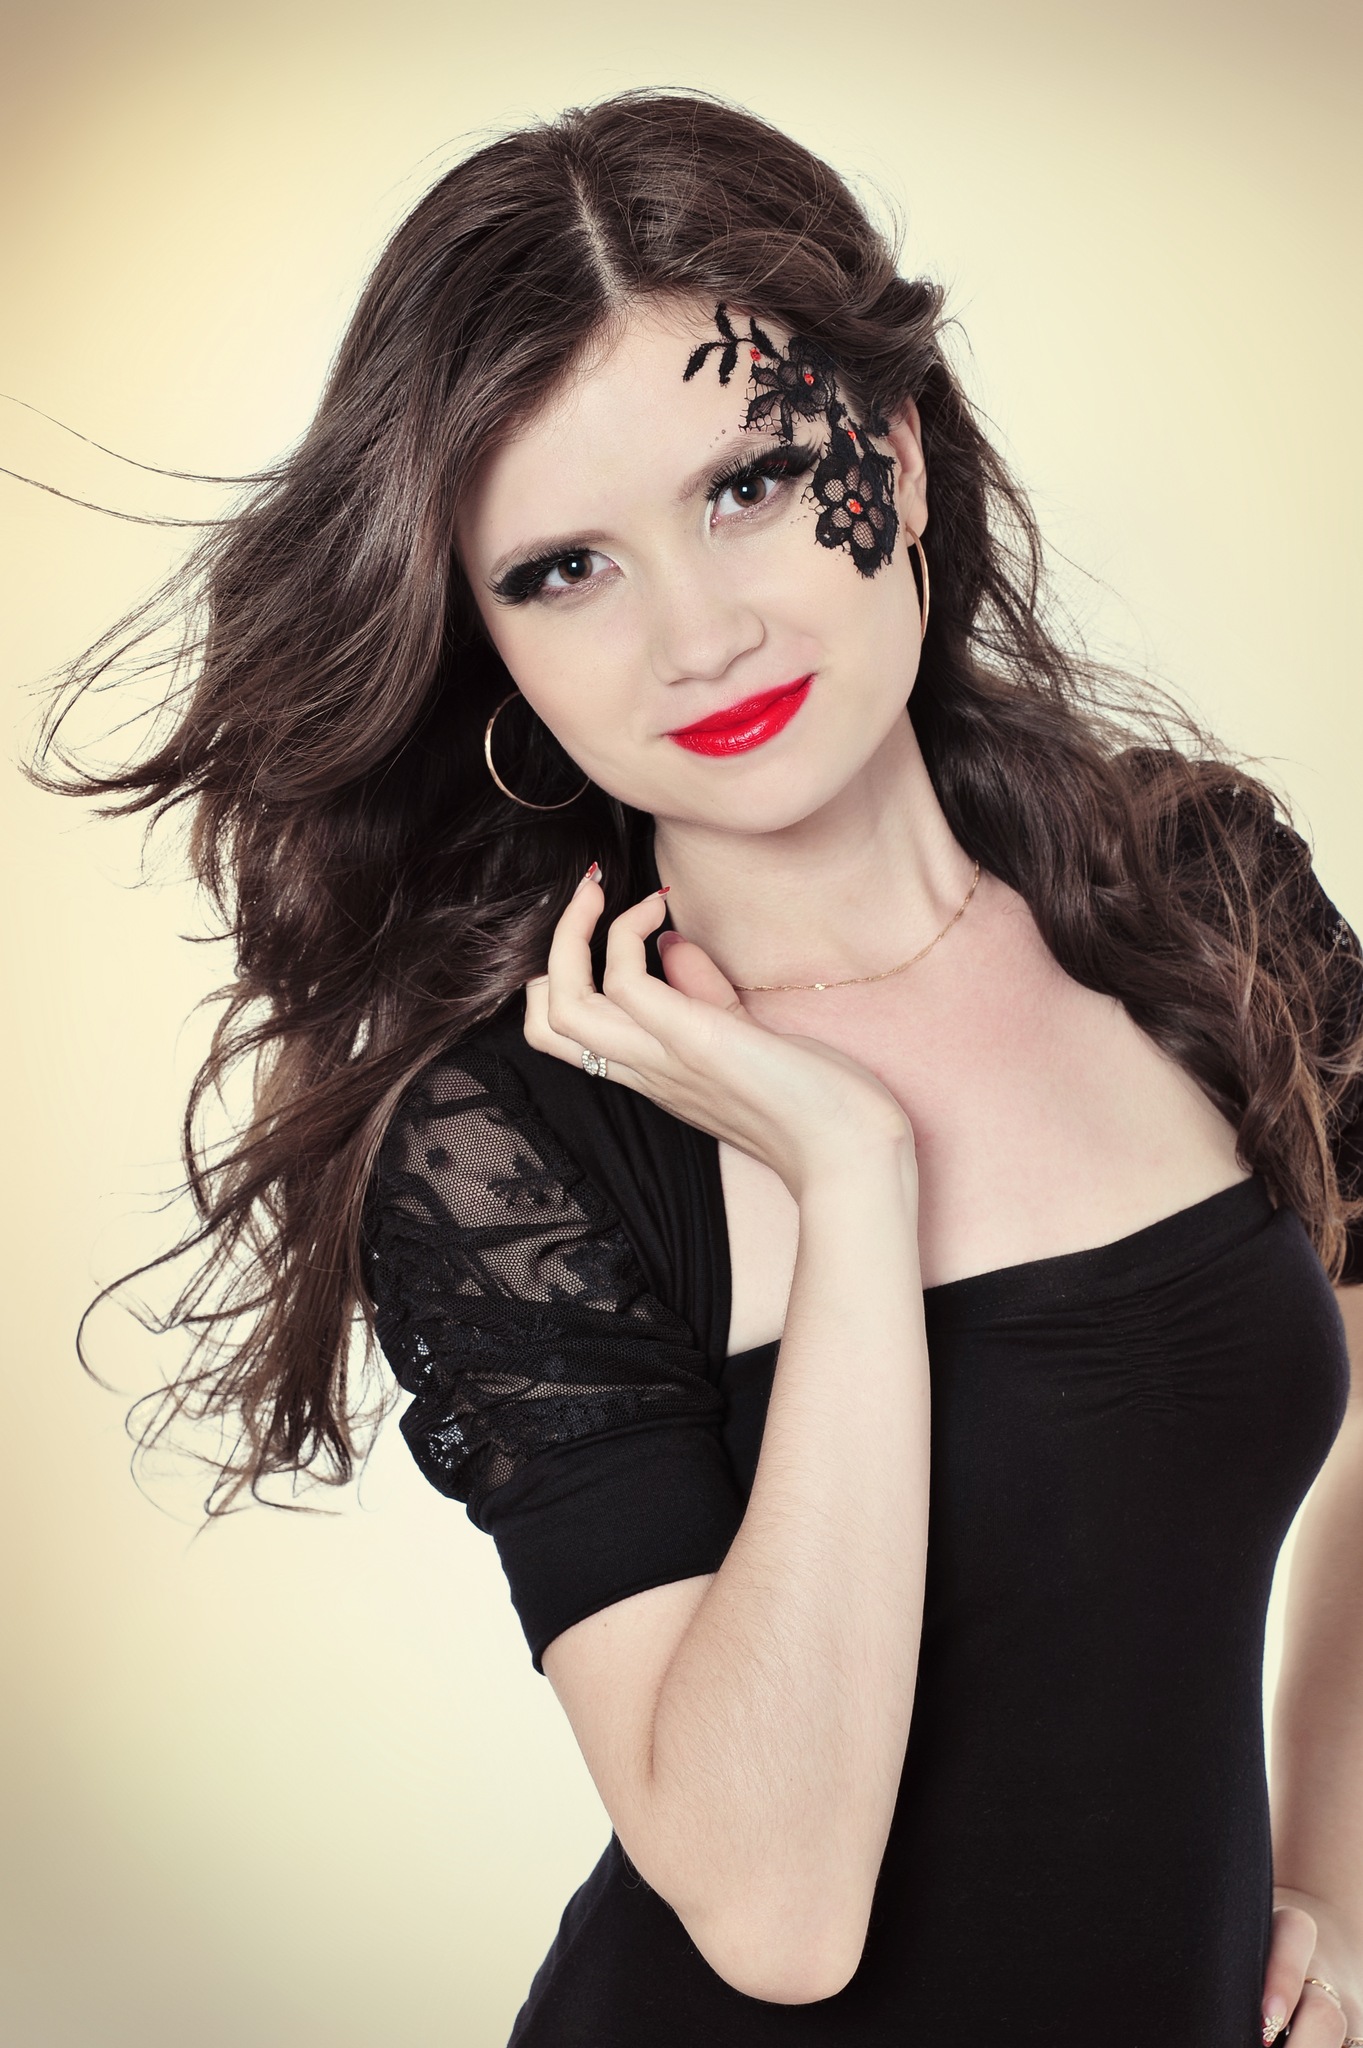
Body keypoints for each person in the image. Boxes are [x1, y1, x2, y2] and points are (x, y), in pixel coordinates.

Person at [30, 89, 1363, 2048]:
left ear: (894, 455)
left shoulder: (1194, 889)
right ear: (487, 644)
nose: (699, 634)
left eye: (747, 484)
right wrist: (849, 1176)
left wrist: (1333, 1876)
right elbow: (775, 1907)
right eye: (565, 570)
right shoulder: (500, 1144)